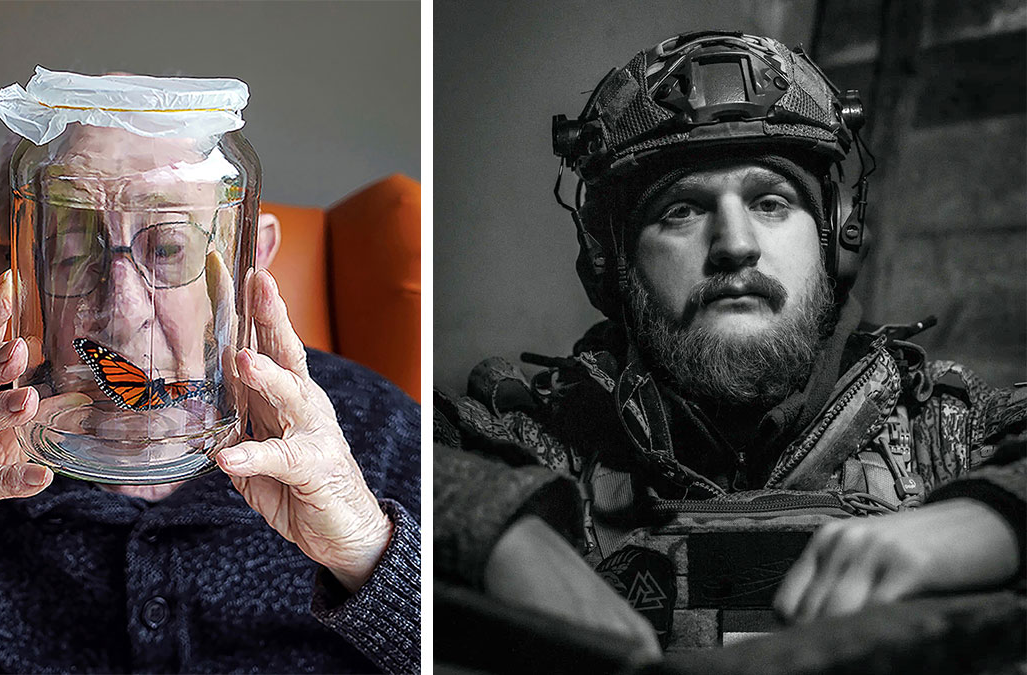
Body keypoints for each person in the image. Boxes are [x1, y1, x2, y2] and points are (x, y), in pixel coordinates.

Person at [434, 30, 1024, 665]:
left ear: (836, 241)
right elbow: (374, 455)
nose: (736, 245)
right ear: (614, 263)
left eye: (771, 202)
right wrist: (495, 526)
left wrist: (999, 515)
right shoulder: (538, 441)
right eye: (682, 211)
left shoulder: (947, 434)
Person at [0, 127, 421, 673]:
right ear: (9, 274)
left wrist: (364, 548)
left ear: (251, 261)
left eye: (168, 250)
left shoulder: (369, 424)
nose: (123, 311)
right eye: (69, 255)